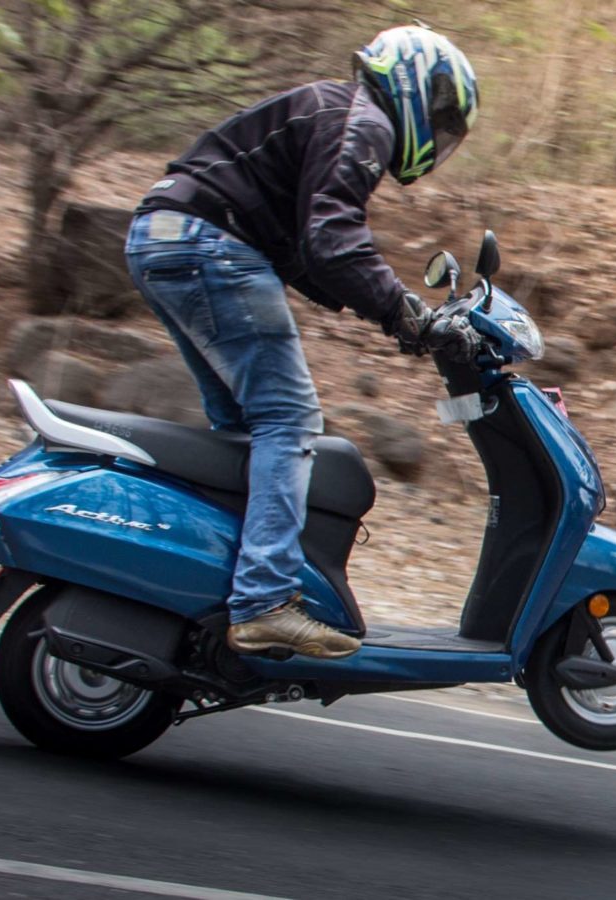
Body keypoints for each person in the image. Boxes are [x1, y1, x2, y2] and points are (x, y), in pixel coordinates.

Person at [123, 25, 481, 659]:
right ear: (413, 82)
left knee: (241, 424)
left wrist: (397, 315)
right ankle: (263, 602)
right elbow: (332, 239)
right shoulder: (363, 119)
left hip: (167, 236)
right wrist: (405, 311)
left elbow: (311, 253)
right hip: (207, 243)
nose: (441, 131)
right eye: (443, 112)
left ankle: (213, 587)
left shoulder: (335, 110)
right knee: (288, 421)